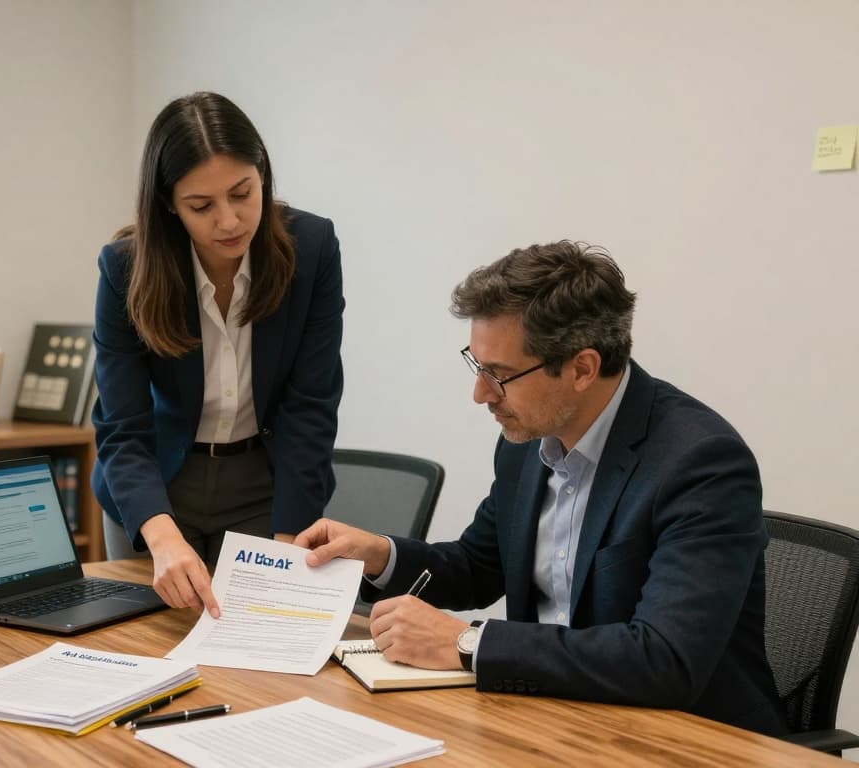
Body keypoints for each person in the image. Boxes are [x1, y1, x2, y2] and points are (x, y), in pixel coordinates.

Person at [296, 241, 785, 735]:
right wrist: (379, 555)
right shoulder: (525, 444)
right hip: (557, 718)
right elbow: (480, 567)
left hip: (690, 738)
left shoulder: (701, 463)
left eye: (500, 375)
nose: (480, 393)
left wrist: (470, 643)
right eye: (477, 365)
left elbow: (665, 658)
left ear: (582, 368)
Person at [91, 91, 344, 618]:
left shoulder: (312, 248)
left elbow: (310, 406)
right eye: (201, 206)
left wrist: (286, 543)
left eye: (242, 193)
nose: (229, 221)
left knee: (259, 647)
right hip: (155, 487)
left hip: (265, 483)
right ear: (168, 204)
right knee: (147, 647)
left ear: (263, 176)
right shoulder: (126, 269)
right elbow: (123, 429)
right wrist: (161, 536)